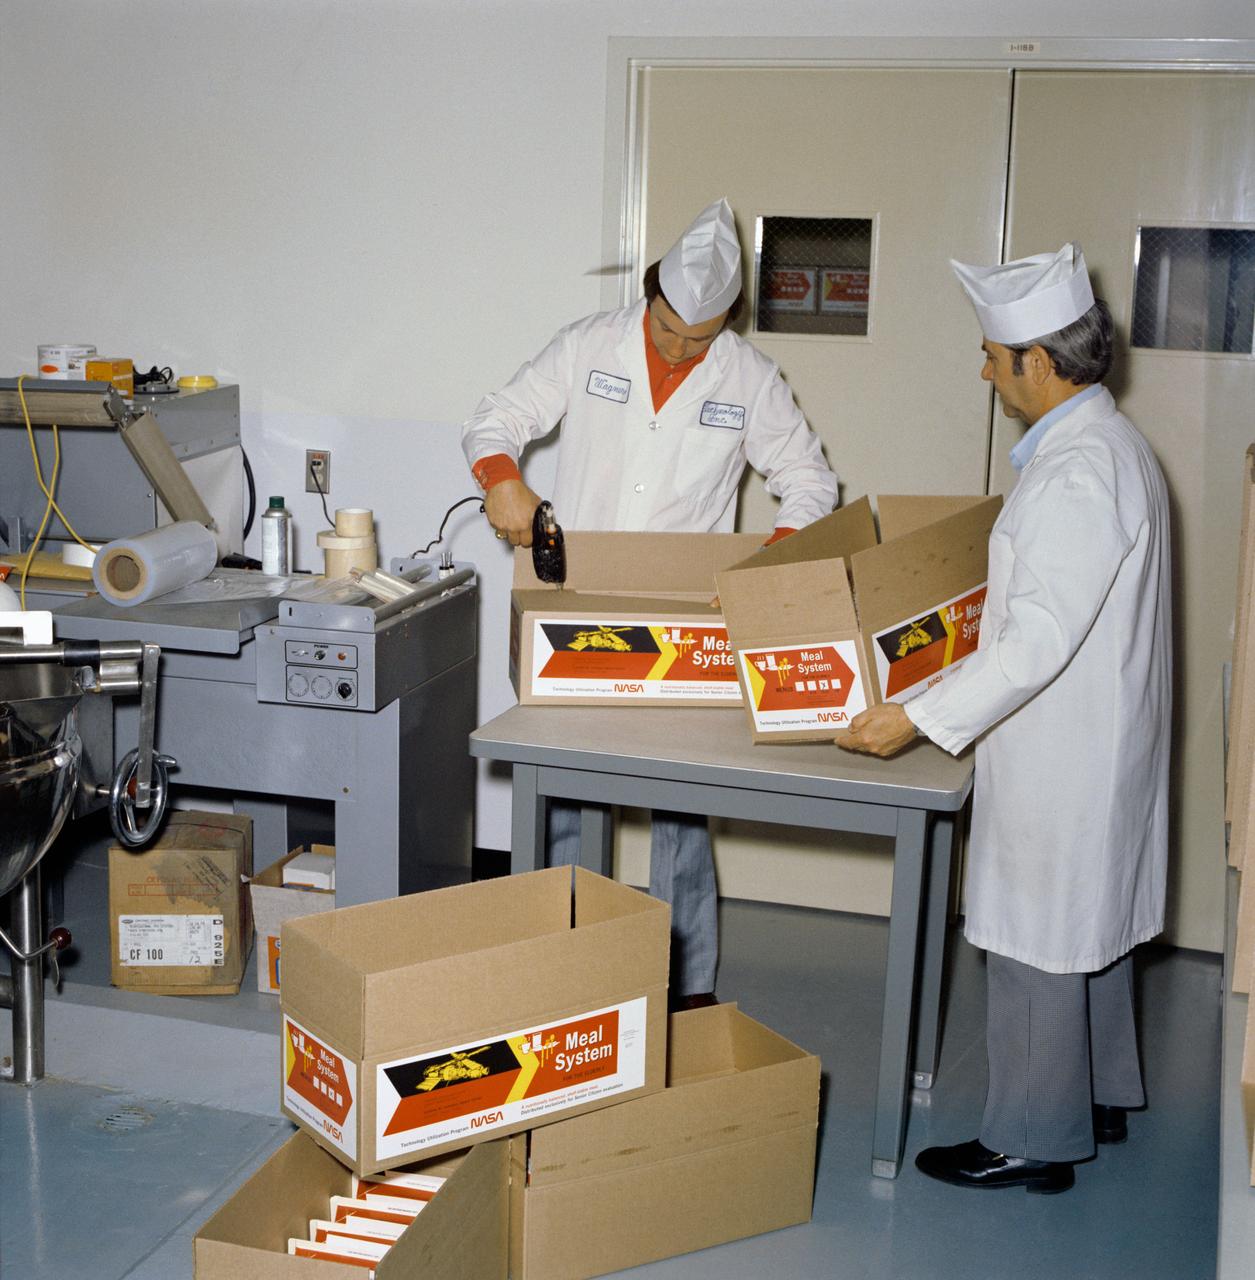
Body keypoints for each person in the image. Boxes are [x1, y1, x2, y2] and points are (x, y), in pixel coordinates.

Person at [835, 243, 1171, 1195]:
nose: (984, 371)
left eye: (992, 354)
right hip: (1098, 739)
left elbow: (1032, 643)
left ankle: (1034, 1136)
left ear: (1041, 362)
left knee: (1033, 941)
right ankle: (1097, 1094)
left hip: (1063, 746)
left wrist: (914, 717)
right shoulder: (1108, 448)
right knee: (1089, 929)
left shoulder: (1075, 474)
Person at [462, 198, 838, 1008]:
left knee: (680, 807)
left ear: (728, 320)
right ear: (650, 293)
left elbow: (809, 482)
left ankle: (686, 986)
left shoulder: (748, 377)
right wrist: (503, 480)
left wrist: (761, 565)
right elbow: (496, 419)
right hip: (574, 598)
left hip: (685, 611)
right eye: (666, 330)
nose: (678, 349)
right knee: (562, 793)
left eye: (697, 339)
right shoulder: (590, 342)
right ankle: (556, 969)